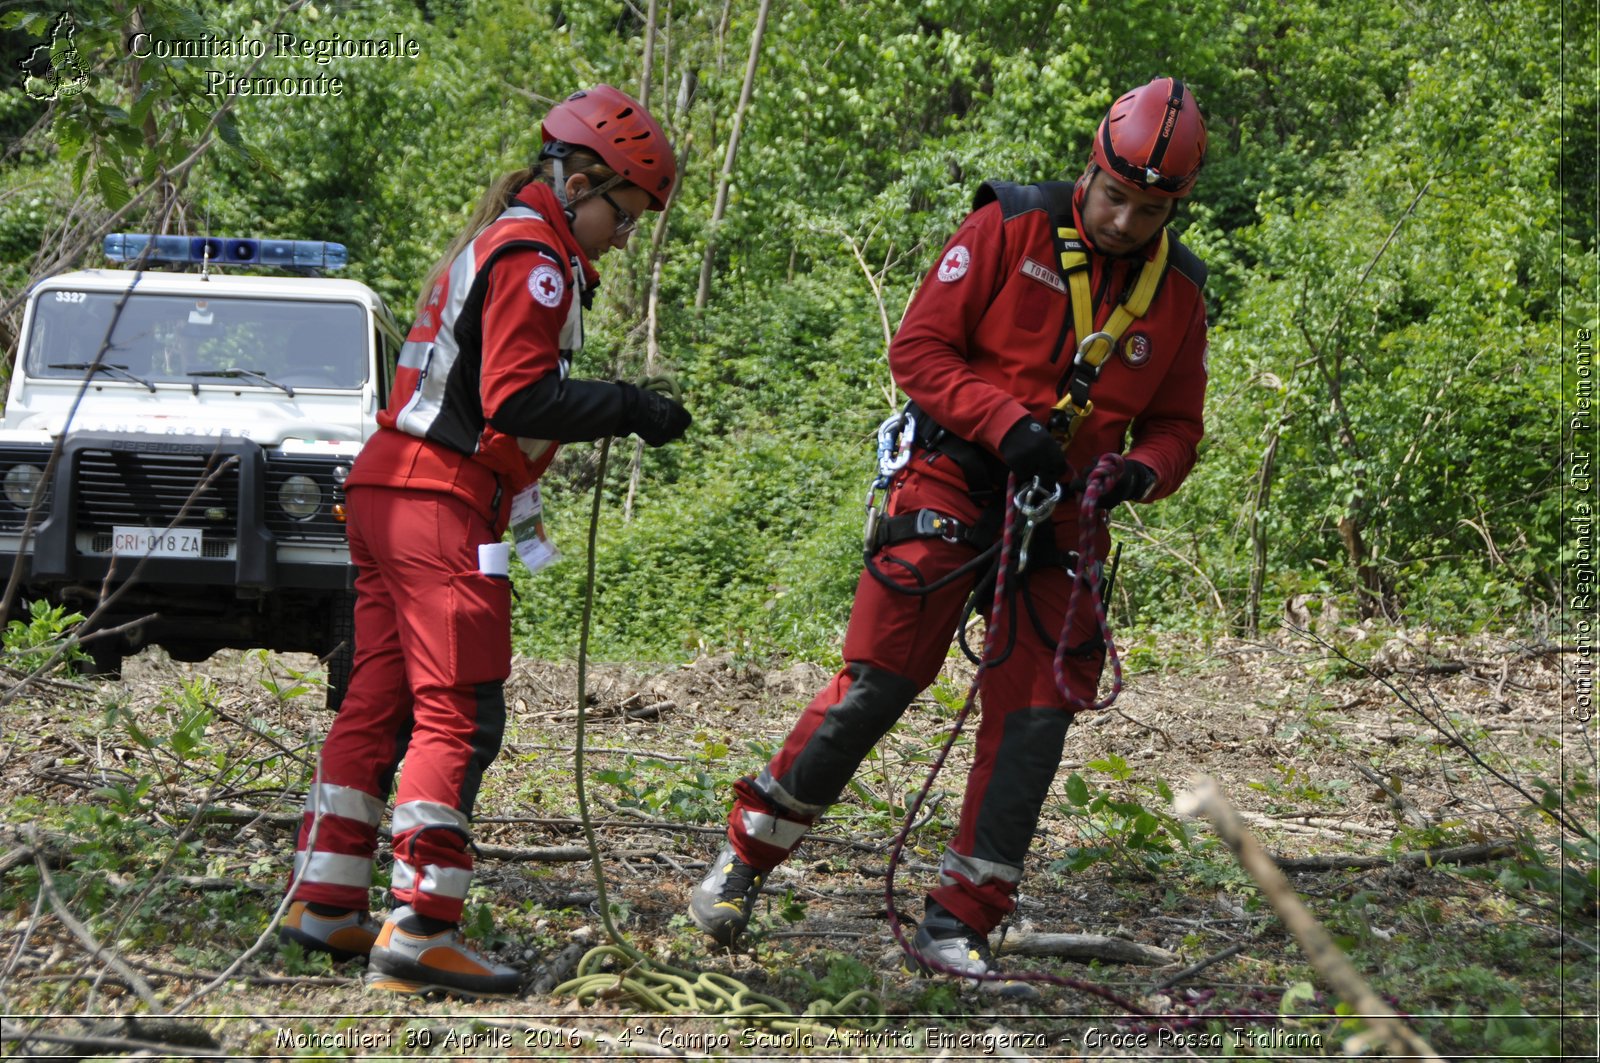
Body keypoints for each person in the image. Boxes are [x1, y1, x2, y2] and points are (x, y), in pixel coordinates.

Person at [689, 78, 1210, 993]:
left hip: (1063, 512)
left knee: (1037, 716)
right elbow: (919, 351)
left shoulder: (1179, 296)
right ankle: (743, 861)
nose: (1125, 220)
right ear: (1090, 166)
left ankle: (958, 921)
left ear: (1175, 205)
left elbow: (1177, 426)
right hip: (955, 475)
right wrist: (1005, 423)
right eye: (1114, 196)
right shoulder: (1007, 227)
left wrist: (1138, 472)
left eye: (1150, 208)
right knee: (878, 683)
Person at [279, 85, 689, 1000]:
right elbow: (516, 397)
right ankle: (423, 924)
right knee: (455, 702)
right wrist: (630, 405)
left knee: (377, 697)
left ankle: (326, 896)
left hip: (387, 484)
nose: (623, 237)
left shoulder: (493, 238)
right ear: (580, 181)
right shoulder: (536, 255)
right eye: (623, 216)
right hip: (437, 498)